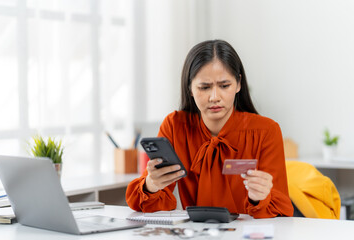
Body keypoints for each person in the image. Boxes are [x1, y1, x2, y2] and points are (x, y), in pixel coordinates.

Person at [126, 39, 294, 218]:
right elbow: (147, 204)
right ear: (190, 88)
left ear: (238, 84)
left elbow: (281, 212)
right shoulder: (175, 126)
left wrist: (258, 198)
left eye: (224, 86)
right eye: (204, 87)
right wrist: (151, 185)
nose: (214, 97)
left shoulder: (266, 131)